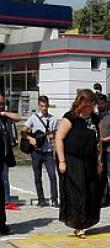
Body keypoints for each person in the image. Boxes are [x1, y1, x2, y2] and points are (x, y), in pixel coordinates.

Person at [54, 90, 103, 238]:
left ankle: (86, 222)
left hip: (89, 159)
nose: (91, 108)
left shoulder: (94, 119)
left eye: (93, 105)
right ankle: (78, 225)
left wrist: (99, 161)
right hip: (72, 159)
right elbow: (58, 139)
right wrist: (62, 161)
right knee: (78, 191)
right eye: (89, 105)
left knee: (91, 191)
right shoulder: (70, 117)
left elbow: (98, 141)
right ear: (82, 104)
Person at [21, 96, 60, 208]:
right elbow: (23, 131)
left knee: (52, 176)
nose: (44, 108)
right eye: (42, 106)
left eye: (46, 106)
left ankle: (54, 199)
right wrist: (30, 138)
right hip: (36, 152)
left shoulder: (53, 119)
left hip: (48, 151)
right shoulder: (33, 118)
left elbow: (57, 136)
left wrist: (54, 136)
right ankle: (41, 199)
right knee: (37, 176)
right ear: (39, 106)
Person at [0, 91, 20, 235]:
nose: (1, 106)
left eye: (2, 103)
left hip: (3, 159)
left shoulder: (3, 118)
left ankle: (2, 225)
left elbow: (18, 117)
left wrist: (4, 113)